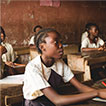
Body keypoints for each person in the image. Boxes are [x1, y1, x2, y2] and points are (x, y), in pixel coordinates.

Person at [23, 28, 106, 106]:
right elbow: (57, 100)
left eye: (61, 42)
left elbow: (80, 87)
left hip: (51, 101)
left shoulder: (59, 63)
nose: (61, 46)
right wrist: (97, 93)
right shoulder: (33, 68)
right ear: (42, 47)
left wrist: (100, 92)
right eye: (56, 43)